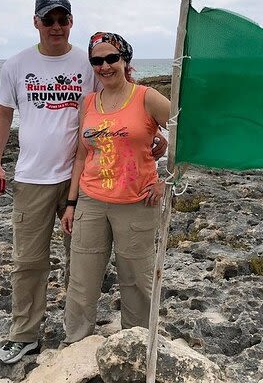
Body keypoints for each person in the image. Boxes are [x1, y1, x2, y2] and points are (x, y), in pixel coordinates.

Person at [0, 0, 165, 364]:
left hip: (83, 180)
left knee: (81, 264)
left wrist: (156, 138)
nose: (55, 26)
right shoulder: (16, 65)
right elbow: (3, 114)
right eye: (47, 20)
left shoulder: (86, 64)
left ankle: (86, 334)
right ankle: (25, 335)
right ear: (36, 22)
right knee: (28, 261)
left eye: (62, 19)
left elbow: (123, 103)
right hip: (33, 177)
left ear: (71, 21)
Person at [60, 32, 171, 346]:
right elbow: (82, 154)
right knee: (81, 280)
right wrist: (71, 204)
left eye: (112, 58)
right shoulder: (89, 102)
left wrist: (167, 181)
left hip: (137, 203)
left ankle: (136, 344)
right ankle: (76, 342)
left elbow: (188, 130)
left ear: (125, 60)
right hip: (91, 201)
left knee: (137, 282)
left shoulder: (146, 97)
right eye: (97, 61)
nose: (104, 66)